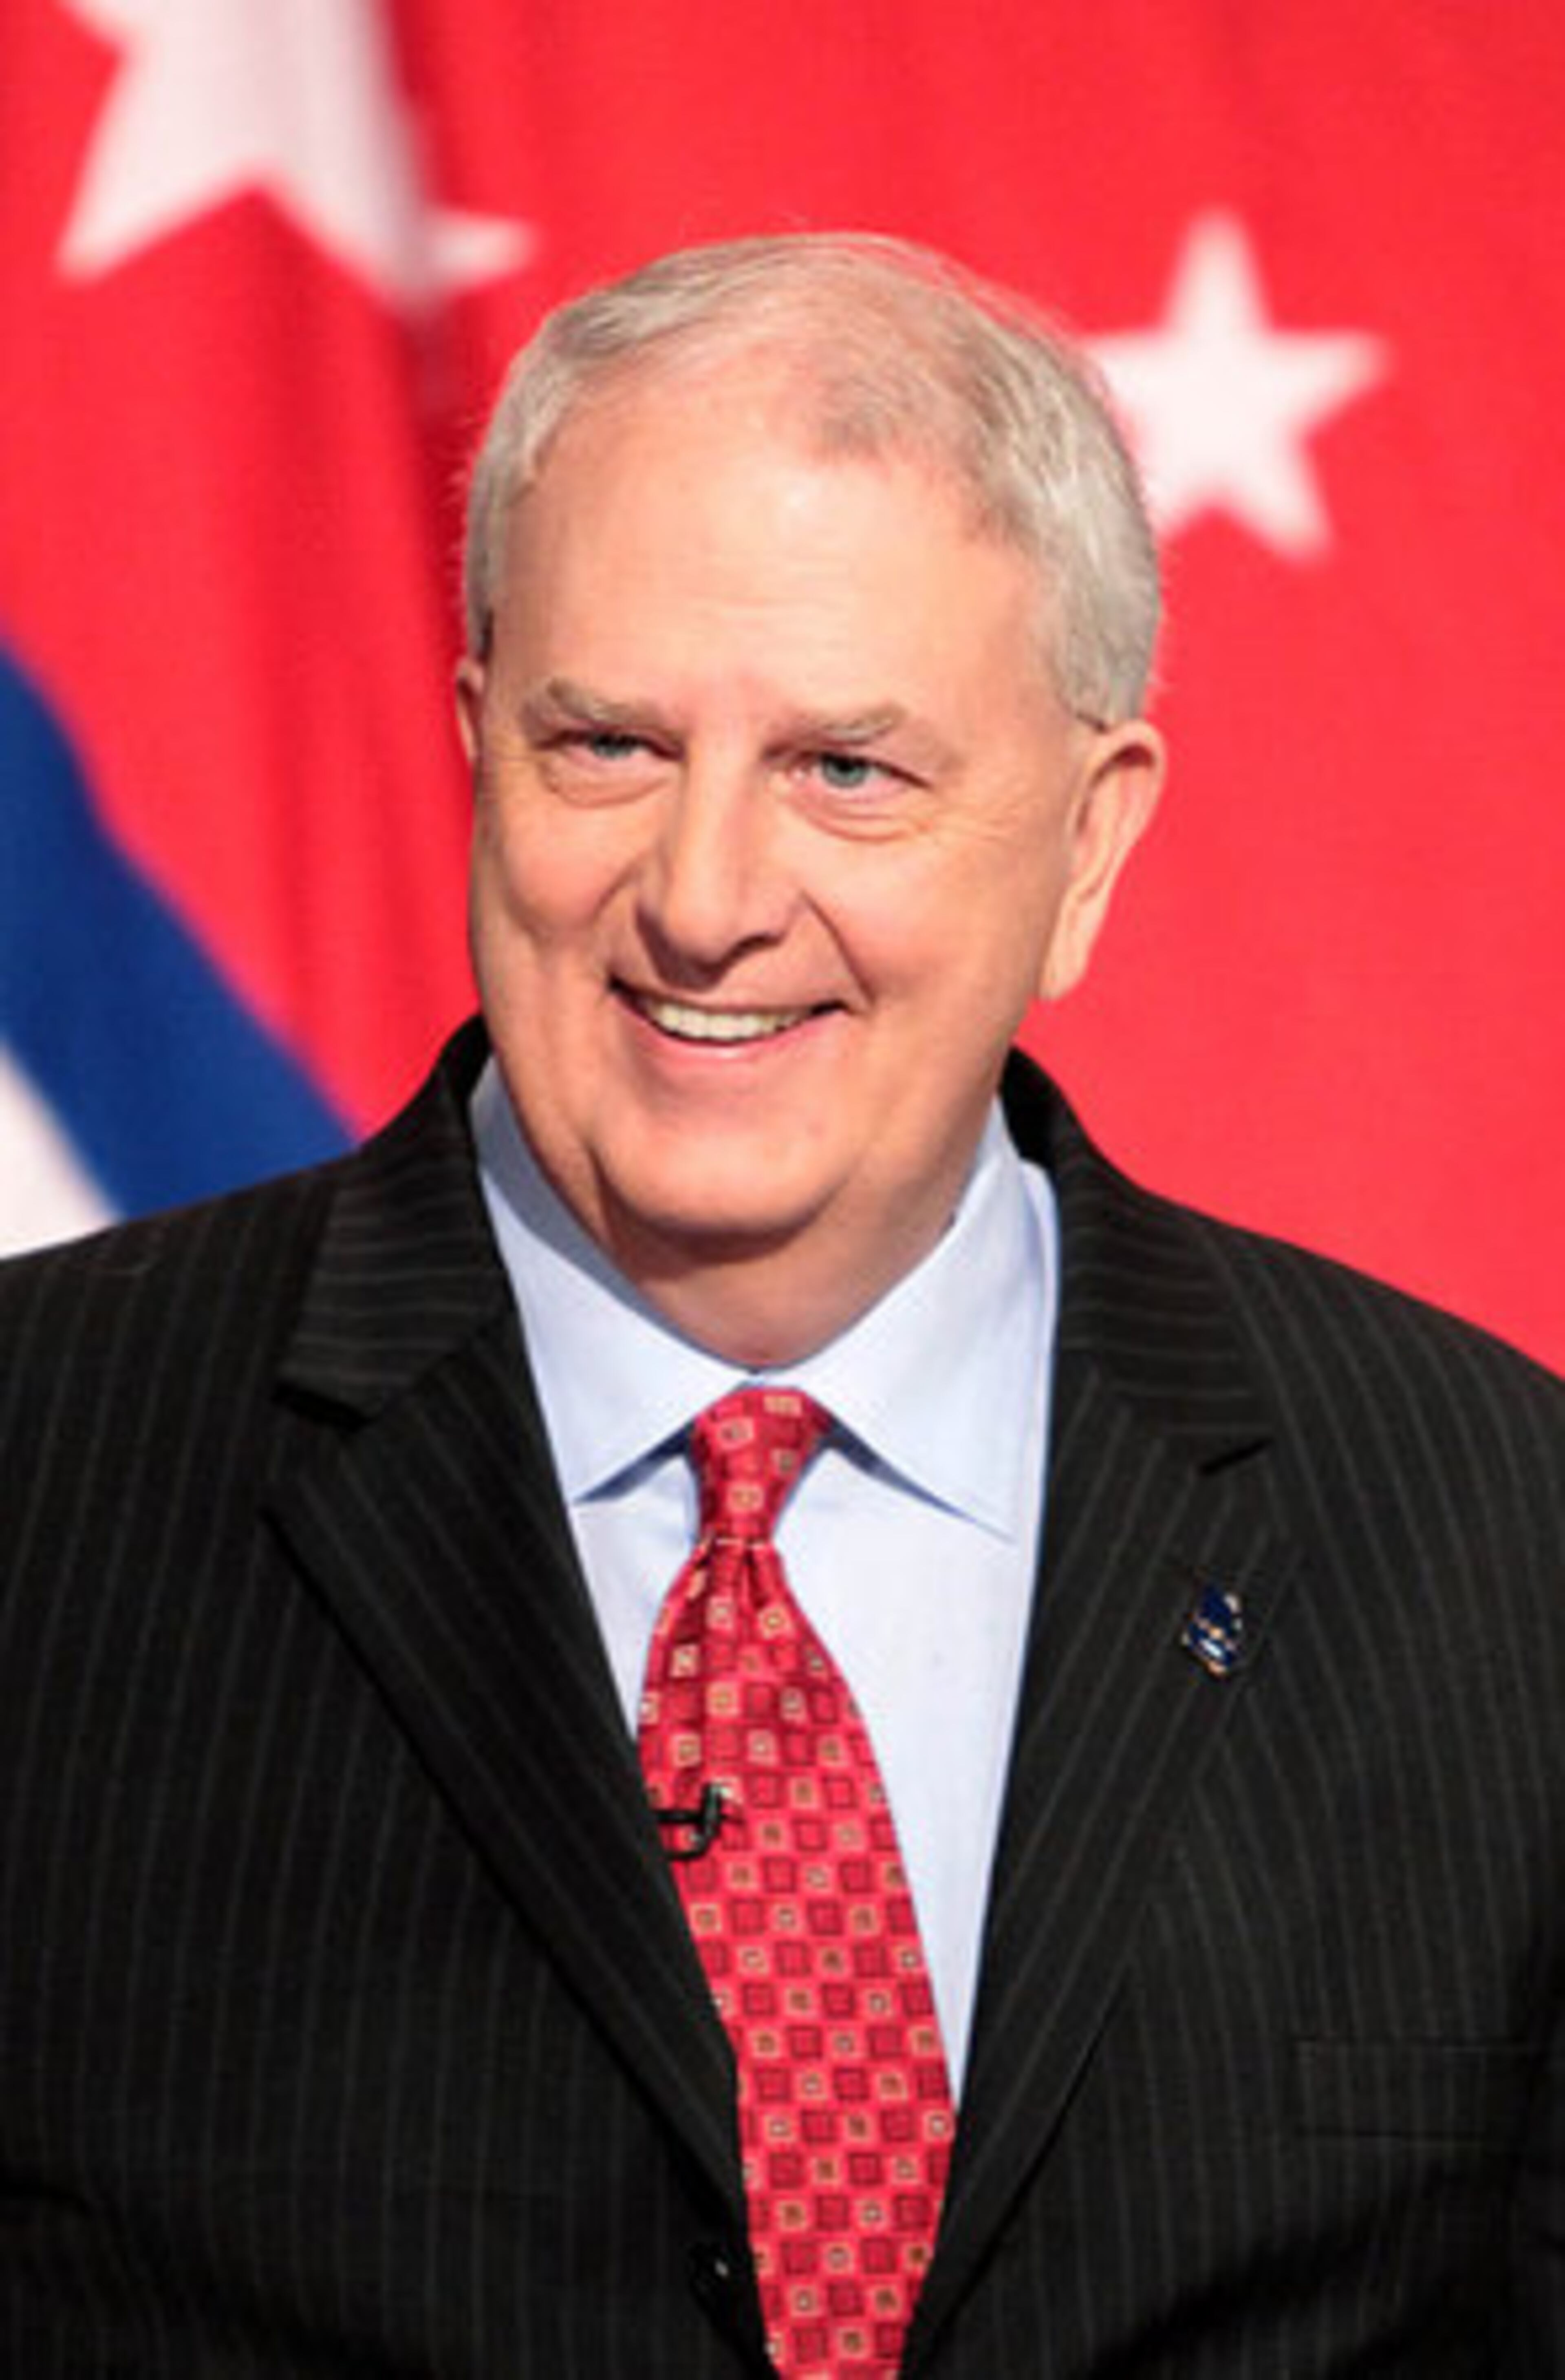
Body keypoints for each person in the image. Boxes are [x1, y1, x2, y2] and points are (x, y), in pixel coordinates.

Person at [2, 233, 1561, 2380]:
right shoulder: (42, 1479)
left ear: (1093, 844)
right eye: (612, 746)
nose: (709, 900)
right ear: (478, 749)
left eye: (851, 769)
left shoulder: (1499, 1545)